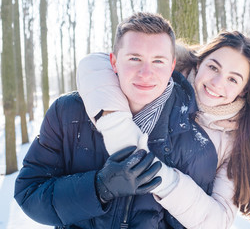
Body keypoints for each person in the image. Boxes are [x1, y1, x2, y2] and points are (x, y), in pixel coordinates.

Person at [14, 12, 218, 229]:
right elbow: (29, 192)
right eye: (134, 59)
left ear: (171, 66)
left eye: (158, 61)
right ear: (114, 61)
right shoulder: (67, 113)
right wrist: (99, 188)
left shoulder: (198, 147)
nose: (146, 73)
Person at [77, 30, 250, 228]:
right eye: (213, 67)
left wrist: (165, 181)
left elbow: (217, 220)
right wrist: (116, 127)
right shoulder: (163, 82)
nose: (217, 82)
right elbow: (96, 63)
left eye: (232, 79)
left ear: (244, 90)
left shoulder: (237, 141)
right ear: (199, 63)